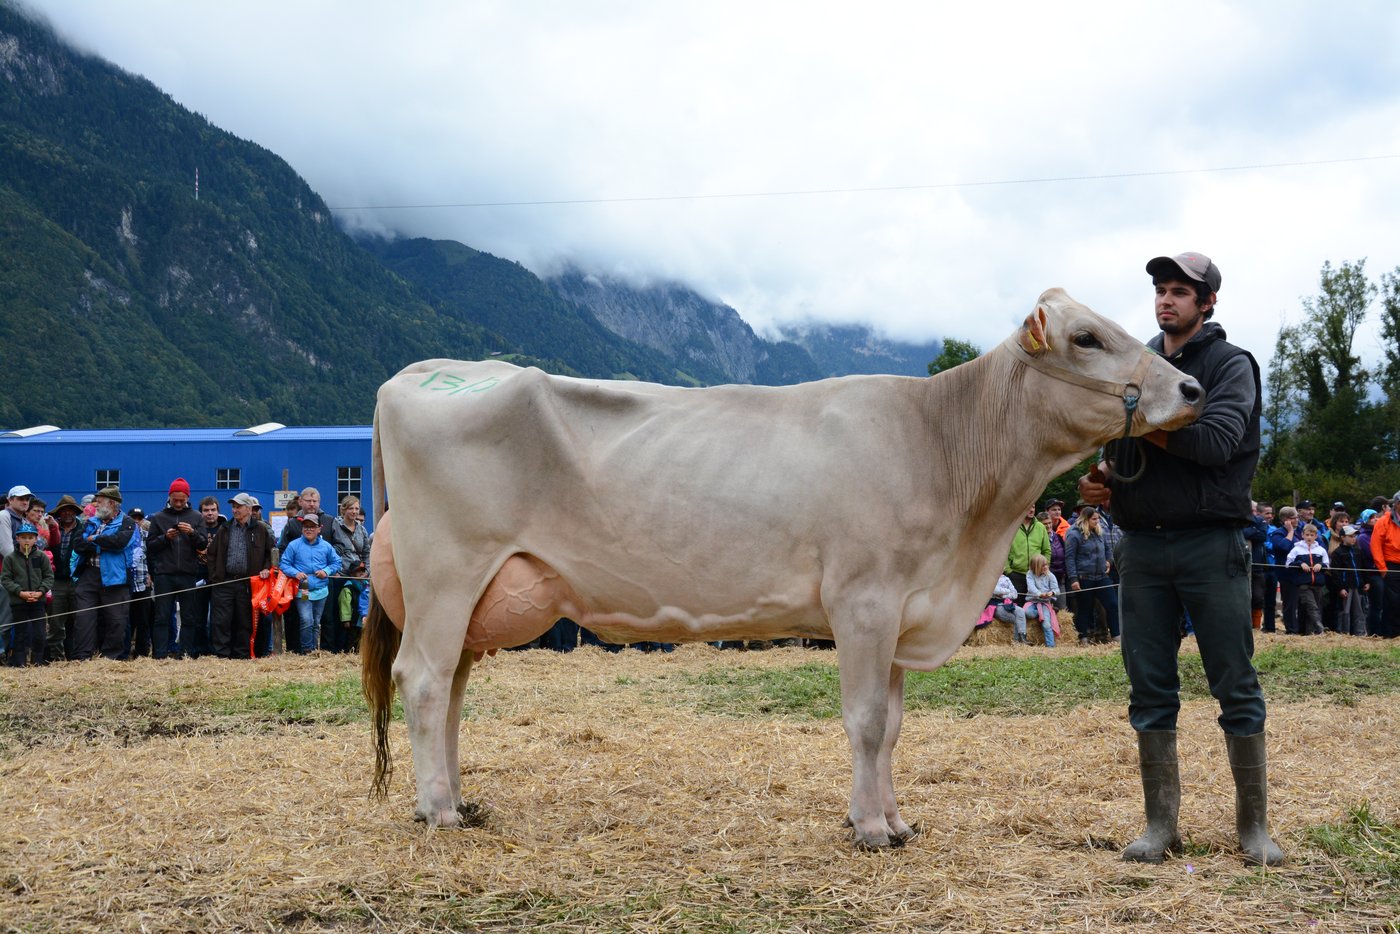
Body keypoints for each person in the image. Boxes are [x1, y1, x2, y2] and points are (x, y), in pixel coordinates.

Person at [1079, 251, 1283, 866]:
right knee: (1149, 689)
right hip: (1140, 548)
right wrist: (1103, 483)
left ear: (1207, 303)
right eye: (1161, 290)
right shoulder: (1137, 366)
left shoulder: (1230, 364)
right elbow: (1126, 455)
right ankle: (1159, 826)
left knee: (1235, 685)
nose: (1166, 300)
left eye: (1180, 292)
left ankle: (1254, 830)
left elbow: (1217, 442)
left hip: (1210, 545)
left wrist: (1141, 419)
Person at [145, 478, 208, 659]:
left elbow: (203, 543)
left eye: (182, 500)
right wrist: (165, 537)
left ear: (187, 497)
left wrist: (193, 533)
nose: (179, 503)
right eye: (175, 499)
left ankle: (185, 653)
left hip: (188, 573)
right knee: (162, 617)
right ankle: (160, 655)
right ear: (169, 497)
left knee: (189, 617)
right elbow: (150, 546)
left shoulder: (196, 517)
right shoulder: (158, 518)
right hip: (164, 574)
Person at [71, 487, 136, 660]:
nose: (96, 505)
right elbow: (78, 544)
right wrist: (101, 544)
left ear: (112, 503)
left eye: (99, 501)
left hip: (117, 578)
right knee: (84, 617)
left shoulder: (128, 522)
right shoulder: (90, 521)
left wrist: (95, 540)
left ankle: (110, 658)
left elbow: (119, 542)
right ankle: (82, 657)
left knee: (116, 619)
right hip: (89, 574)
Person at [206, 493, 272, 658]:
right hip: (224, 581)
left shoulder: (261, 529)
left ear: (249, 509)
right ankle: (221, 655)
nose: (235, 510)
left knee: (244, 621)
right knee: (221, 621)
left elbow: (271, 553)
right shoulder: (225, 528)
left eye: (238, 507)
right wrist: (215, 575)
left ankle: (242, 655)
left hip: (247, 583)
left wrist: (266, 568)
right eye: (233, 507)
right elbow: (212, 553)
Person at [279, 514, 342, 653]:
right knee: (306, 620)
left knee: (316, 622)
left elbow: (337, 562)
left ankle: (313, 649)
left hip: (321, 590)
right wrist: (295, 573)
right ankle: (307, 649)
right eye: (306, 527)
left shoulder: (326, 546)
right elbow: (284, 563)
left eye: (312, 527)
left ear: (319, 529)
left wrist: (326, 571)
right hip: (303, 590)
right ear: (302, 529)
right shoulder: (294, 545)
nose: (309, 529)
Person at [1064, 505, 1120, 644]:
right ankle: (1083, 637)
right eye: (1094, 519)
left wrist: (1108, 561)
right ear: (1086, 519)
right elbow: (1070, 558)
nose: (1097, 522)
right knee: (1084, 609)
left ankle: (1116, 635)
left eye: (1098, 519)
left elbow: (1107, 549)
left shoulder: (1098, 532)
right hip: (1084, 576)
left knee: (1112, 604)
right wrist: (1073, 578)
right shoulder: (1074, 534)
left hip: (1101, 576)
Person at [325, 494, 372, 653]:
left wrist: (368, 571)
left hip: (358, 576)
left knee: (357, 612)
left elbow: (366, 552)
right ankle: (337, 647)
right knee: (339, 612)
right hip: (341, 574)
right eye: (351, 508)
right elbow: (329, 549)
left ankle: (354, 647)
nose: (354, 511)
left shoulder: (362, 529)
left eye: (356, 508)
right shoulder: (334, 526)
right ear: (343, 509)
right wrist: (334, 570)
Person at [2, 522, 53, 666]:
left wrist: (40, 591)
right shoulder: (10, 558)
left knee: (39, 633)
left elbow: (49, 577)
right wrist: (20, 592)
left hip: (38, 601)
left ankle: (38, 661)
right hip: (19, 602)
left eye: (30, 537)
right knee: (20, 633)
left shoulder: (41, 557)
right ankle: (19, 663)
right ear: (17, 538)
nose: (26, 541)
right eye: (23, 537)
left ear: (36, 539)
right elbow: (6, 579)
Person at [184, 496, 226, 658]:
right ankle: (199, 649)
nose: (210, 514)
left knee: (218, 616)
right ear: (200, 513)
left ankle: (216, 649)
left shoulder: (225, 529)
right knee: (198, 616)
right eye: (206, 510)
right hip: (198, 575)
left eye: (213, 510)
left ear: (218, 512)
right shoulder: (194, 530)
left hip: (218, 577)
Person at [47, 495, 84, 662]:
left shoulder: (84, 529)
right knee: (56, 623)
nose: (68, 513)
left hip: (77, 581)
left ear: (76, 512)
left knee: (79, 622)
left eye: (71, 510)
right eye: (64, 510)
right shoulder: (49, 529)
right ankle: (57, 659)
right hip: (56, 582)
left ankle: (77, 658)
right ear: (59, 514)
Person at [1285, 524, 1328, 635]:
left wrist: (1320, 565)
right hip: (1303, 584)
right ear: (1302, 535)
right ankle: (1320, 628)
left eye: (1312, 535)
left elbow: (1327, 564)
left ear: (1316, 536)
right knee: (1311, 606)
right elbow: (1288, 564)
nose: (1309, 537)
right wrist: (1300, 563)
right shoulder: (1296, 549)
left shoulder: (1321, 550)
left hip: (1317, 584)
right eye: (1307, 535)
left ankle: (1309, 632)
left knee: (1314, 607)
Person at [1368, 491, 1400, 639]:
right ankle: (1391, 634)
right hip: (1391, 565)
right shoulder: (1383, 521)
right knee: (1392, 601)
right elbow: (1376, 546)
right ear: (1397, 504)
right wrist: (1383, 569)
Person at [1004, 504, 1051, 602]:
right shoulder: (1010, 526)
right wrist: (1008, 571)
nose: (1031, 510)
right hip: (1016, 574)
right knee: (1016, 609)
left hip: (1036, 574)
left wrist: (1044, 567)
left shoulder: (1040, 527)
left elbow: (1046, 550)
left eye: (1033, 507)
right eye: (1028, 506)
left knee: (1035, 610)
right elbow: (1002, 550)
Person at [1269, 507, 1302, 635]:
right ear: (1286, 520)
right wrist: (1290, 532)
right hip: (1287, 574)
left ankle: (1301, 627)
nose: (1297, 519)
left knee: (1301, 602)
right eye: (1294, 517)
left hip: (1300, 573)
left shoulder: (1299, 531)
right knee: (1290, 603)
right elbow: (1283, 547)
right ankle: (1291, 629)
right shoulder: (1278, 533)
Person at [1328, 524, 1366, 636]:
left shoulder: (1358, 551)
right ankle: (1344, 633)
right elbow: (1335, 573)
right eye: (1350, 536)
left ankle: (1359, 633)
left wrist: (1366, 581)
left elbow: (1363, 567)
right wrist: (1340, 588)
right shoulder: (1337, 553)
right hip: (1346, 587)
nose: (1354, 538)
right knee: (1345, 611)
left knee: (1359, 611)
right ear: (1343, 537)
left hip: (1358, 586)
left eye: (1354, 536)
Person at [1022, 553, 1060, 647]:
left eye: (1046, 564)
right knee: (1027, 613)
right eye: (1043, 565)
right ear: (1036, 566)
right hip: (1032, 601)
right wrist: (1040, 594)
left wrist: (1052, 593)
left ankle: (1051, 646)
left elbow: (1056, 589)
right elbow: (1031, 587)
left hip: (1044, 603)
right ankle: (1040, 614)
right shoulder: (1030, 574)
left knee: (1046, 624)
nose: (1046, 567)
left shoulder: (1050, 575)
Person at [982, 572, 1028, 640]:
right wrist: (1008, 591)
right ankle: (1016, 641)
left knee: (1021, 611)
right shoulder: (990, 578)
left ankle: (1023, 638)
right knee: (1015, 618)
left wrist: (1003, 595)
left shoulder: (1006, 579)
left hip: (1008, 604)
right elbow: (995, 590)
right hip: (996, 605)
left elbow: (1015, 594)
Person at [0, 484, 33, 558]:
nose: (25, 502)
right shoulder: (3, 516)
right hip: (6, 567)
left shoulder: (24, 521)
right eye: (21, 499)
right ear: (10, 500)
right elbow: (6, 549)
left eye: (27, 499)